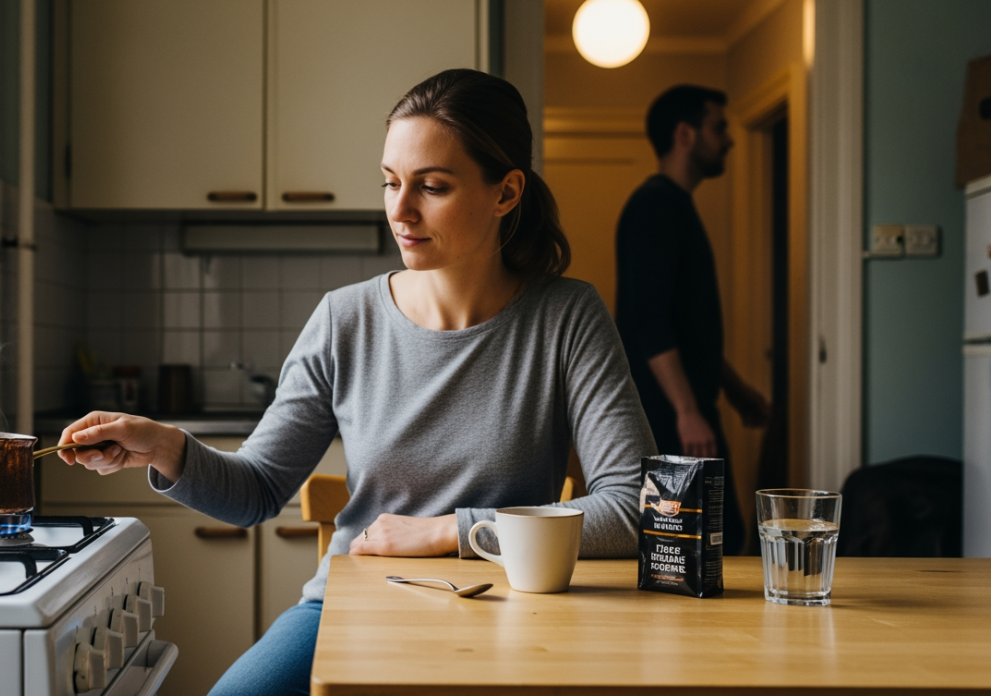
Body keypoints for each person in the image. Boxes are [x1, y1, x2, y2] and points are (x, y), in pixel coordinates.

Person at [58, 69, 656, 696]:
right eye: (391, 183)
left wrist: (448, 530)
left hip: (508, 611)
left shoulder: (567, 317)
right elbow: (259, 489)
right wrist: (168, 449)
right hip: (351, 607)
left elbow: (633, 509)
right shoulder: (345, 319)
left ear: (506, 193)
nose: (400, 210)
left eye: (432, 186)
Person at [614, 85, 770, 556]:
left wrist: (736, 390)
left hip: (685, 410)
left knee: (714, 542)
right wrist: (686, 410)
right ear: (685, 134)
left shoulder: (676, 206)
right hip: (667, 416)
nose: (729, 139)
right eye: (719, 127)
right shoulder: (657, 207)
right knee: (689, 550)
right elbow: (646, 318)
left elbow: (686, 327)